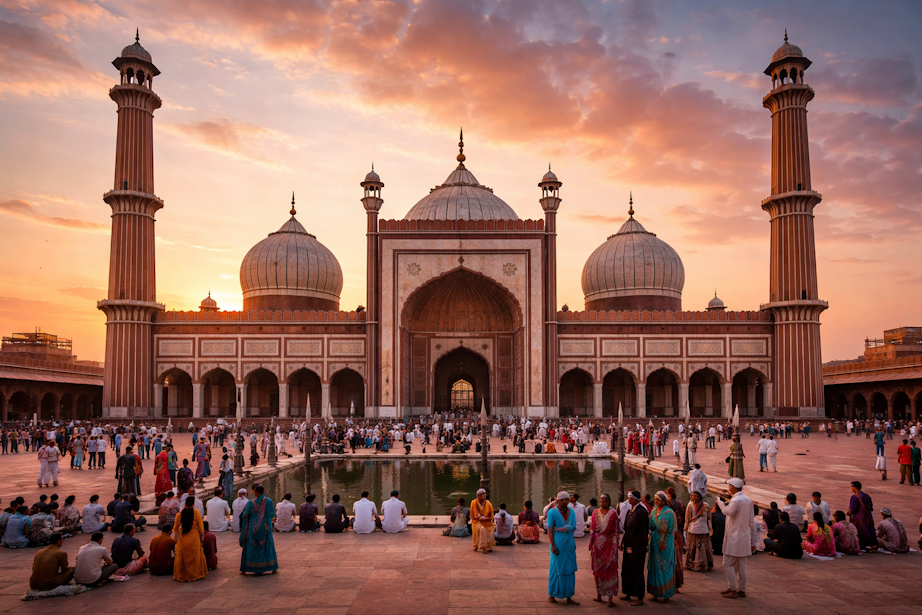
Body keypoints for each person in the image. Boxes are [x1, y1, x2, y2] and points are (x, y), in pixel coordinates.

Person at [717, 477, 756, 599]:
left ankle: (733, 589)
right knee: (741, 566)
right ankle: (741, 589)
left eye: (729, 486)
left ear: (733, 487)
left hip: (735, 537)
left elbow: (727, 512)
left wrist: (720, 502)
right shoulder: (747, 500)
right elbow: (751, 521)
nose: (729, 488)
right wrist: (753, 540)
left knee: (727, 563)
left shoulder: (737, 500)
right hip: (743, 538)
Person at [547, 491, 578, 605]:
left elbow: (574, 526)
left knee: (569, 569)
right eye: (562, 499)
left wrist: (565, 528)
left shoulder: (572, 512)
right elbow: (550, 529)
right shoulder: (552, 512)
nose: (565, 501)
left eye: (566, 499)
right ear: (558, 501)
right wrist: (553, 545)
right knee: (556, 569)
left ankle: (569, 596)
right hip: (558, 542)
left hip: (569, 543)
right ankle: (552, 594)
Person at [239, 484, 279, 574]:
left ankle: (249, 567)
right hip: (265, 528)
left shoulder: (250, 503)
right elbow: (272, 514)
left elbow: (245, 515)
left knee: (252, 546)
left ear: (256, 492)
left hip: (252, 529)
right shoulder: (268, 501)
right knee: (267, 546)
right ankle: (272, 567)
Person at [588, 493, 620, 605]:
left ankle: (610, 598)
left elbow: (616, 531)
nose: (603, 503)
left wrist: (615, 547)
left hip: (609, 545)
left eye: (605, 501)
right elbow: (592, 529)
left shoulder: (614, 514)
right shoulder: (595, 512)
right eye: (601, 501)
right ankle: (599, 595)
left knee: (610, 570)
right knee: (598, 571)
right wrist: (591, 543)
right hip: (597, 546)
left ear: (609, 502)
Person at [620, 490, 649, 606]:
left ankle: (640, 596)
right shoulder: (629, 511)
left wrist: (633, 545)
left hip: (637, 546)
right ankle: (628, 591)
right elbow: (627, 529)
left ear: (635, 499)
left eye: (630, 498)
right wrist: (623, 542)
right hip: (628, 543)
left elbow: (641, 531)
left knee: (637, 570)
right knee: (627, 569)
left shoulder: (641, 512)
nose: (628, 500)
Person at [647, 491, 676, 602]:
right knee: (654, 567)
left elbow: (663, 528)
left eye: (658, 500)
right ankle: (655, 592)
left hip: (665, 543)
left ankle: (666, 593)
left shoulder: (668, 512)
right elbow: (652, 527)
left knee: (665, 567)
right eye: (655, 499)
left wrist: (653, 517)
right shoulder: (654, 511)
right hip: (654, 541)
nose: (656, 501)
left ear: (663, 501)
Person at [173, 496, 208, 582]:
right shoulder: (196, 513)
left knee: (182, 556)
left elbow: (175, 529)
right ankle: (194, 574)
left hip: (182, 538)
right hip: (194, 538)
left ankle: (183, 575)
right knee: (195, 556)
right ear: (193, 504)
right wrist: (202, 536)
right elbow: (201, 527)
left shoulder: (179, 514)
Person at [684, 491, 713, 571]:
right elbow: (687, 518)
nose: (692, 497)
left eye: (694, 496)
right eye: (691, 496)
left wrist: (710, 528)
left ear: (699, 497)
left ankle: (703, 565)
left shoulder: (705, 505)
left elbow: (709, 518)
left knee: (703, 547)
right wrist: (685, 527)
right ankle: (691, 564)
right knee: (692, 547)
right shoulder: (690, 505)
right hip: (693, 528)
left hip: (703, 529)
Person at [847, 481, 877, 550]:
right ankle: (872, 544)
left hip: (859, 518)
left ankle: (863, 545)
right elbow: (871, 507)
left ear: (854, 487)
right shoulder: (867, 496)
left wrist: (848, 513)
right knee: (870, 530)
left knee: (861, 531)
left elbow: (852, 510)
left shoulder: (854, 497)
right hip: (868, 516)